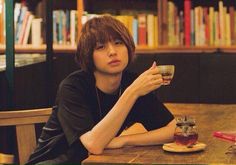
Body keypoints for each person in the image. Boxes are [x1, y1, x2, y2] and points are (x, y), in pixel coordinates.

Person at [27, 15, 176, 164]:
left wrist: (124, 140)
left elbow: (175, 129)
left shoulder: (131, 82)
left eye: (118, 43)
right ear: (89, 55)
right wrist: (132, 93)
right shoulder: (72, 87)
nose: (112, 52)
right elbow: (94, 144)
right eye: (101, 47)